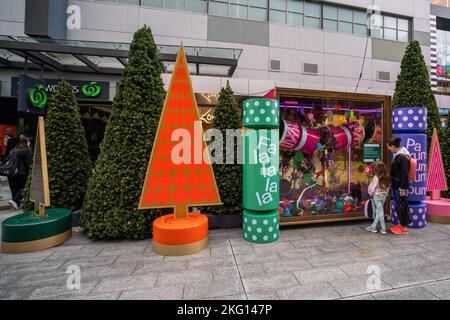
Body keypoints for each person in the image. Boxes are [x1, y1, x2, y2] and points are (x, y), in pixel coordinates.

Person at [386, 137, 411, 235]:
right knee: (399, 205)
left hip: (399, 186)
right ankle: (401, 225)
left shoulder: (402, 157)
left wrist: (402, 188)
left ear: (392, 146)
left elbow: (405, 173)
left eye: (388, 146)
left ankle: (404, 228)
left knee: (401, 206)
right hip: (396, 185)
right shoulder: (398, 155)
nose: (388, 148)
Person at [7, 136, 32, 210]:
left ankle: (15, 204)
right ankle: (15, 200)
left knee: (14, 188)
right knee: (24, 187)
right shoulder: (26, 150)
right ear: (25, 142)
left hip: (11, 172)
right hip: (21, 173)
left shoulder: (13, 150)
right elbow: (29, 164)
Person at [364, 161, 390, 234]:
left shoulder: (376, 177)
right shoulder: (387, 177)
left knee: (380, 212)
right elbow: (388, 187)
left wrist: (370, 193)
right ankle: (373, 227)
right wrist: (386, 194)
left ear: (376, 169)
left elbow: (372, 188)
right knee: (379, 212)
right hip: (384, 196)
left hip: (377, 196)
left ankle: (383, 228)